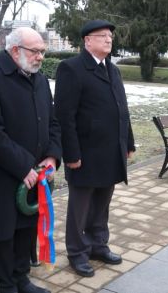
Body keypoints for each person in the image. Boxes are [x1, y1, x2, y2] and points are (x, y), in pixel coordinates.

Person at [0, 27, 61, 293]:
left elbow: (53, 123)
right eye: (35, 51)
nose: (40, 57)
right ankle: (6, 283)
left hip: (37, 170)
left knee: (28, 226)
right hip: (4, 171)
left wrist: (51, 157)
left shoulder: (40, 80)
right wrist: (23, 166)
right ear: (15, 51)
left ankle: (22, 277)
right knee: (5, 230)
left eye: (43, 52)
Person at [54, 19, 135, 277]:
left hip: (111, 151)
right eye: (102, 36)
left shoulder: (113, 70)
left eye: (110, 36)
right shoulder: (72, 68)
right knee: (80, 207)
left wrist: (129, 142)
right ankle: (77, 252)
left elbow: (122, 109)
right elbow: (64, 116)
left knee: (102, 203)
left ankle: (98, 244)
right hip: (85, 154)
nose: (109, 40)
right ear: (87, 41)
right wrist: (72, 154)